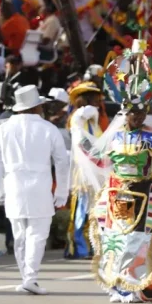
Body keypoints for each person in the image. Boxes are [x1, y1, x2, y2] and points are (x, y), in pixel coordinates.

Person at [89, 43, 152, 303]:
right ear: (125, 113)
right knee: (120, 239)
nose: (138, 116)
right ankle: (121, 286)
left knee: (143, 241)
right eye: (133, 112)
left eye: (142, 112)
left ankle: (147, 285)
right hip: (118, 194)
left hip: (145, 193)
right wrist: (80, 139)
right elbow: (99, 161)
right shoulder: (114, 138)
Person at [0, 85, 69, 295]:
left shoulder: (3, 129)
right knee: (37, 234)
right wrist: (61, 191)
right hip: (40, 187)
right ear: (36, 107)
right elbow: (62, 162)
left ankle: (26, 278)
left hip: (13, 186)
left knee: (20, 235)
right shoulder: (48, 128)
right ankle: (30, 278)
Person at [63, 81, 104, 259]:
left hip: (95, 169)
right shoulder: (81, 116)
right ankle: (80, 247)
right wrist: (98, 157)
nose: (98, 103)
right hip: (85, 171)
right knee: (83, 208)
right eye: (95, 99)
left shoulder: (90, 120)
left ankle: (92, 245)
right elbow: (83, 142)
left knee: (94, 208)